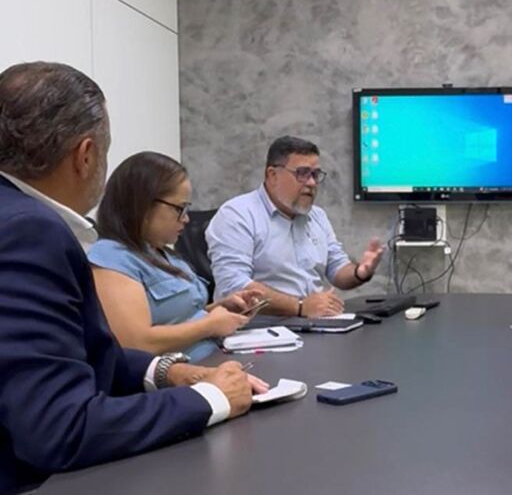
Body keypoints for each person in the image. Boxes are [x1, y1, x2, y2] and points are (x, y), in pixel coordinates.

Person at [0, 61, 268, 494]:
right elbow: (60, 429)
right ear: (86, 155)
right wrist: (211, 398)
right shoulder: (29, 232)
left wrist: (168, 372)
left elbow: (81, 353)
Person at [89, 151, 264, 362]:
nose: (186, 219)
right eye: (179, 209)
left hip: (216, 357)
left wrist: (220, 309)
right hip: (182, 373)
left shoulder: (162, 253)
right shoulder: (111, 258)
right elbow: (136, 343)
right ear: (143, 204)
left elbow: (179, 318)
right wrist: (209, 325)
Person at [206, 136, 384, 318]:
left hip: (313, 324)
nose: (312, 183)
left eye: (315, 174)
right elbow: (233, 286)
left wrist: (360, 272)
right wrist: (299, 306)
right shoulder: (237, 215)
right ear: (272, 175)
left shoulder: (317, 216)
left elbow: (337, 269)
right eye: (302, 173)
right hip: (257, 328)